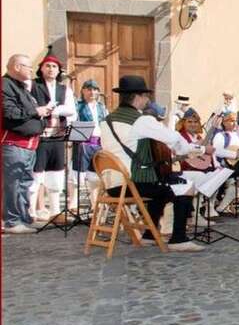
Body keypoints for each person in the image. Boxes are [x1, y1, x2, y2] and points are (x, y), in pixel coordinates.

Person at [100, 76, 207, 251]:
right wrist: (199, 150)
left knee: (161, 189)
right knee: (185, 186)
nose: (148, 100)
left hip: (111, 185)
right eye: (146, 96)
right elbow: (174, 140)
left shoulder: (106, 121)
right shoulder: (141, 121)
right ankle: (178, 239)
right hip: (132, 184)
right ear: (138, 97)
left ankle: (149, 235)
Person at [2, 54, 49, 234]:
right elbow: (10, 113)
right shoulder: (5, 85)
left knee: (24, 183)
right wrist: (36, 111)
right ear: (16, 67)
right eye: (28, 67)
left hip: (29, 146)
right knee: (13, 184)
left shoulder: (21, 88)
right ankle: (12, 222)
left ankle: (23, 218)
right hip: (13, 145)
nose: (32, 70)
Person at [29, 52, 76, 220]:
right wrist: (44, 109)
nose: (51, 69)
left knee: (55, 175)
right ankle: (31, 212)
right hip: (39, 137)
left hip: (58, 137)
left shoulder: (65, 89)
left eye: (54, 66)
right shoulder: (33, 86)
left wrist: (52, 109)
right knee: (36, 175)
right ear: (41, 69)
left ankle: (55, 211)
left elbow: (70, 110)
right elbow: (31, 106)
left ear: (59, 70)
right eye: (47, 66)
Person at [71, 79, 107, 209]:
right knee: (78, 174)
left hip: (98, 143)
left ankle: (94, 204)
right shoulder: (78, 105)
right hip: (83, 142)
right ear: (83, 91)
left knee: (95, 175)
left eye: (95, 89)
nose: (92, 92)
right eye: (89, 89)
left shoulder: (101, 107)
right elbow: (74, 122)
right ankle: (73, 204)